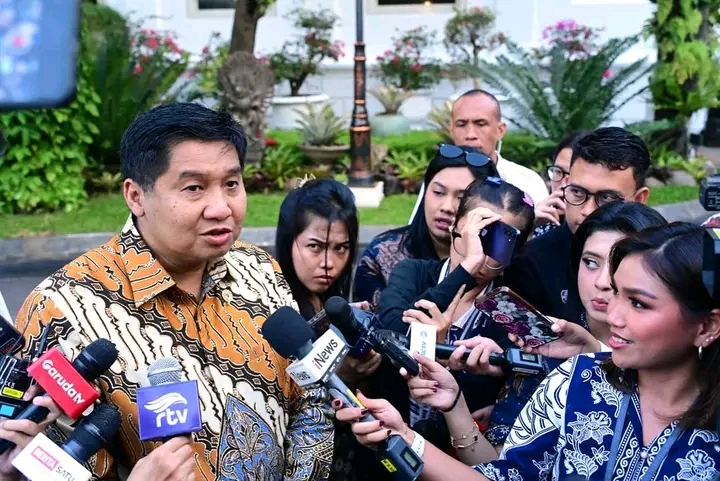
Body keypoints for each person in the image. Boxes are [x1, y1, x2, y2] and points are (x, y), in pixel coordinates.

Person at [13, 103, 334, 481]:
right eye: (194, 188)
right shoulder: (62, 309)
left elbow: (311, 398)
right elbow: (52, 465)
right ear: (136, 196)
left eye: (231, 184)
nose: (221, 208)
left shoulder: (259, 268)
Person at [335, 222, 720, 481]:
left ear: (707, 326)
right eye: (617, 293)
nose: (614, 314)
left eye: (639, 303)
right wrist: (403, 435)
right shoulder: (577, 380)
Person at [487, 202, 668, 447]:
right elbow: (500, 461)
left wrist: (596, 352)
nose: (602, 282)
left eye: (619, 265)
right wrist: (456, 408)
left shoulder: (678, 355)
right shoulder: (550, 350)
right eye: (591, 262)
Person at [375, 177, 535, 454]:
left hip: (461, 453)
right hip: (387, 438)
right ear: (454, 228)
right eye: (478, 235)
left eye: (498, 243)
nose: (482, 254)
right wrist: (467, 268)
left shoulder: (510, 311)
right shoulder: (413, 273)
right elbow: (392, 332)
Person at [274, 177, 380, 481]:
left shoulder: (336, 306)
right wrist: (337, 375)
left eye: (340, 248)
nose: (328, 263)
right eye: (315, 246)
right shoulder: (276, 312)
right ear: (288, 240)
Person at [503, 126, 651, 324]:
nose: (587, 210)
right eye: (578, 193)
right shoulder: (533, 261)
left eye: (607, 198)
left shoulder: (663, 260)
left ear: (639, 199)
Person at [354, 145, 499, 307]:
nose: (447, 207)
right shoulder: (381, 254)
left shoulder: (495, 264)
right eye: (438, 192)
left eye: (462, 198)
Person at [408, 90, 549, 226]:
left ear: (500, 130)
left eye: (480, 124)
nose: (470, 134)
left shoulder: (528, 182)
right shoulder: (441, 177)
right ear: (451, 130)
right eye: (461, 124)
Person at [532, 131, 588, 238]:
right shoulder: (541, 221)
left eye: (572, 175)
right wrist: (528, 227)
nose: (563, 186)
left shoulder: (600, 229)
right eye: (558, 171)